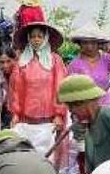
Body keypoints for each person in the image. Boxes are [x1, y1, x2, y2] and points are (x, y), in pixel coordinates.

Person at [8, 21, 68, 164]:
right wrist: (15, 113)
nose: (36, 40)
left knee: (47, 156)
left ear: (45, 38)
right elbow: (15, 89)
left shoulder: (55, 61)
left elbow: (60, 88)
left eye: (40, 36)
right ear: (29, 38)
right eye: (33, 36)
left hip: (48, 118)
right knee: (24, 154)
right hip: (26, 118)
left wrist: (59, 114)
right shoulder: (22, 61)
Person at [67, 22, 110, 107]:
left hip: (105, 108)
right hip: (85, 110)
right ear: (80, 44)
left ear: (99, 44)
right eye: (85, 43)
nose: (89, 47)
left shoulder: (107, 60)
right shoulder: (74, 65)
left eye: (93, 43)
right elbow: (71, 92)